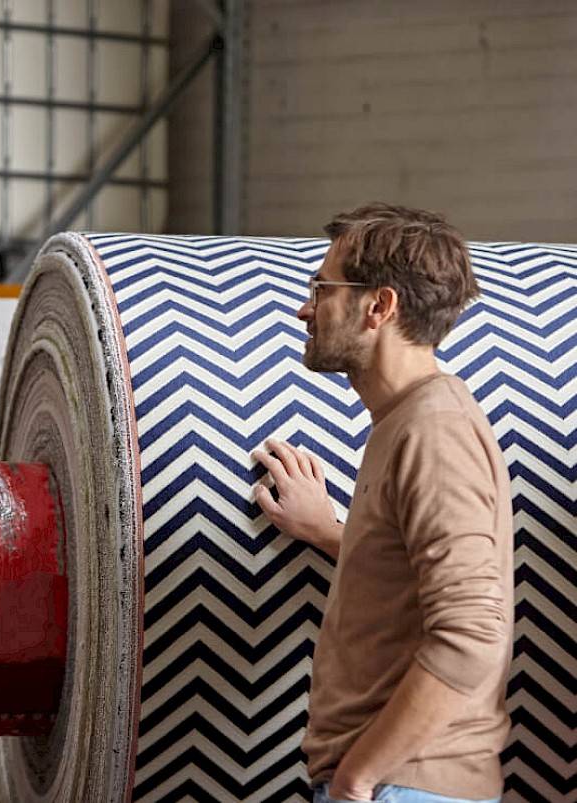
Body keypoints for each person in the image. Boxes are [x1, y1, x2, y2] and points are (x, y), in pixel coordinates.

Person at [252, 204, 512, 803]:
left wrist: (357, 778)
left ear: (380, 306)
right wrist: (327, 530)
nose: (305, 308)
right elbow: (413, 581)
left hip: (403, 787)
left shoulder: (435, 431)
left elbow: (473, 635)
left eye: (322, 288)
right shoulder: (405, 421)